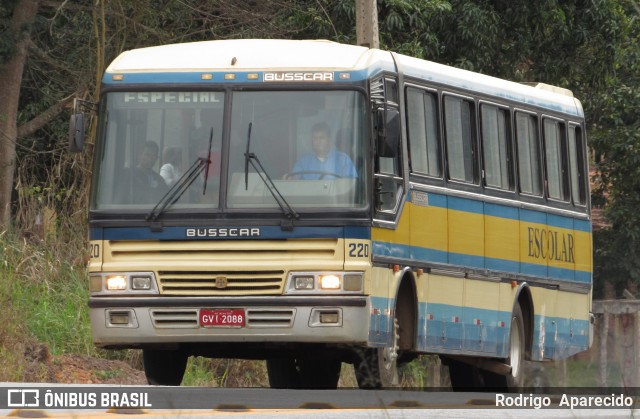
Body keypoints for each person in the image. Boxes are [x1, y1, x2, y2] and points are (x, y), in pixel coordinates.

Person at [288, 122, 357, 180]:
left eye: (322, 138)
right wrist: (290, 178)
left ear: (329, 140)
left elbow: (352, 184)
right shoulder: (303, 161)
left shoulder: (343, 159)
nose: (318, 141)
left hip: (335, 196)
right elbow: (294, 177)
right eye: (315, 138)